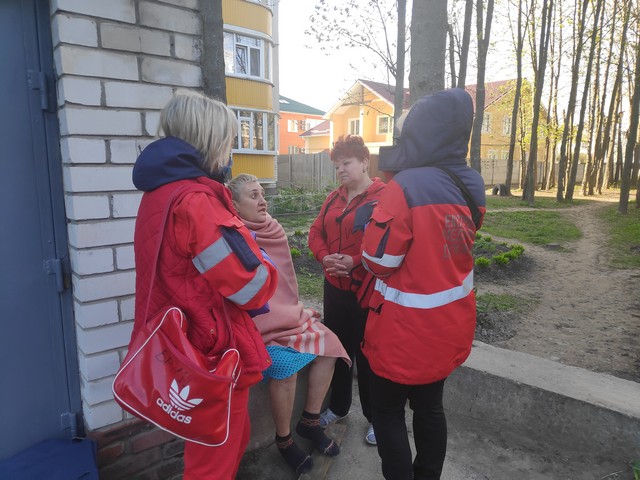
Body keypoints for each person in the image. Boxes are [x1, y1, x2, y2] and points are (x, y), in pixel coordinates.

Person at [131, 91, 278, 480]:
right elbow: (253, 287)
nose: (230, 150)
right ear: (211, 140)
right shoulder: (197, 200)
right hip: (212, 351)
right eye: (229, 140)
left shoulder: (161, 192)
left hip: (187, 341)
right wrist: (263, 256)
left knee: (228, 441)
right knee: (213, 462)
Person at [360, 87, 487, 480]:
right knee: (430, 407)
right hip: (449, 326)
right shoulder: (472, 183)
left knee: (387, 412)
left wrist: (372, 224)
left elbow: (379, 262)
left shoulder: (406, 185)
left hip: (402, 332)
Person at [228, 174, 351, 474]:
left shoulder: (273, 228)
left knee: (331, 346)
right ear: (234, 205)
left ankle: (309, 421)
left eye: (262, 193)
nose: (263, 201)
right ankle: (283, 439)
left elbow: (284, 282)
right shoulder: (232, 236)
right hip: (256, 322)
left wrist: (288, 312)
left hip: (288, 314)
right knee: (284, 367)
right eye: (253, 196)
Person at [308, 134, 386, 445]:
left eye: (347, 163)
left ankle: (376, 417)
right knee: (338, 351)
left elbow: (386, 241)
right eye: (337, 165)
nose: (341, 169)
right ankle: (339, 407)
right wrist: (324, 257)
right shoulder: (333, 198)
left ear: (365, 162)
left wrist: (354, 261)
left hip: (366, 290)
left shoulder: (383, 197)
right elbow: (316, 232)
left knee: (368, 357)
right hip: (335, 289)